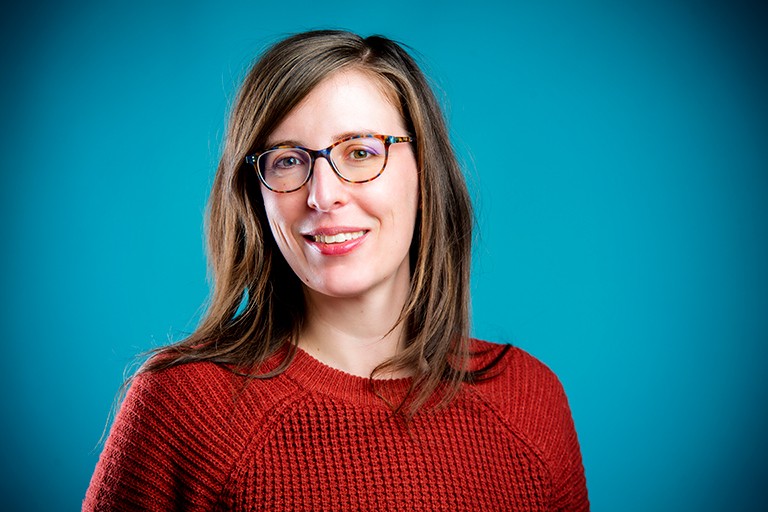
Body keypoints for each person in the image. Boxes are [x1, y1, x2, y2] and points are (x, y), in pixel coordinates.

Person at [84, 30, 589, 511]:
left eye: (362, 151)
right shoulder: (185, 407)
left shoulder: (530, 400)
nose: (323, 195)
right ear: (255, 195)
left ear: (424, 171)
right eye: (287, 161)